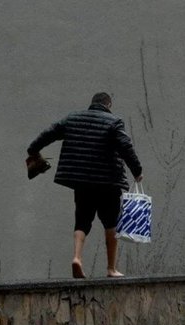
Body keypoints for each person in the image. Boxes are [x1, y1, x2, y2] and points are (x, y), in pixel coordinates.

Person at [26, 92, 143, 279]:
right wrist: (137, 170)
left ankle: (77, 258)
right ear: (108, 104)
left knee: (82, 220)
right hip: (108, 182)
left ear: (92, 103)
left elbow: (50, 132)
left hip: (82, 182)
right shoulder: (113, 122)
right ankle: (111, 269)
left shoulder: (73, 119)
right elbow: (125, 146)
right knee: (111, 222)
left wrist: (33, 149)